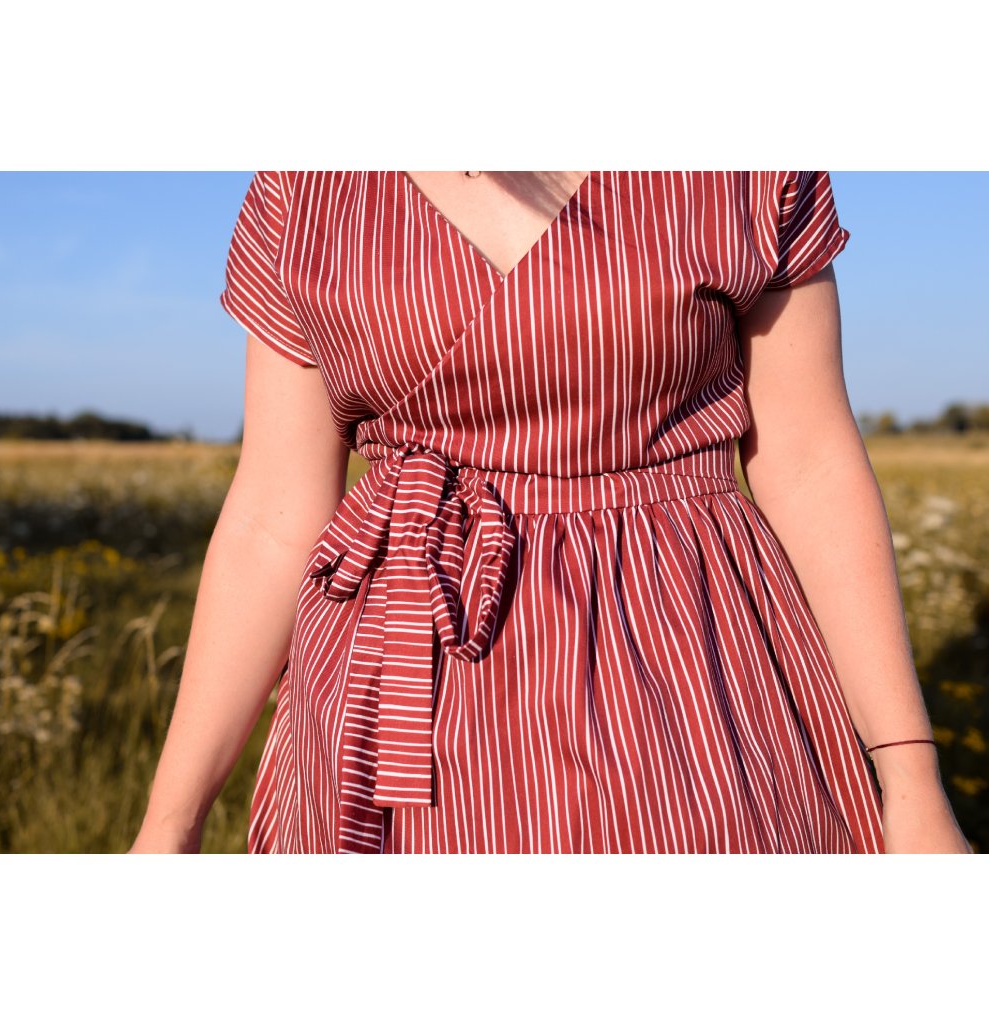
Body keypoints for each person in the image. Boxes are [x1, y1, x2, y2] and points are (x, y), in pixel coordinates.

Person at [129, 170, 972, 854]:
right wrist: (170, 825)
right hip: (405, 681)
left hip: (685, 666)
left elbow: (811, 464)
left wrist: (911, 778)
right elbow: (272, 516)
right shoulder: (307, 189)